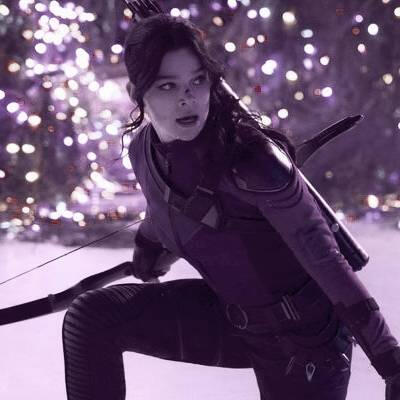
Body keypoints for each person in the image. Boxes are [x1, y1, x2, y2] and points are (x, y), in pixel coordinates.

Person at [62, 14, 400, 400]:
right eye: (167, 86)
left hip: (304, 340)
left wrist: (390, 361)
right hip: (231, 316)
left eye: (196, 81)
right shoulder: (143, 150)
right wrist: (149, 246)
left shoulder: (256, 163)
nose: (187, 98)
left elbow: (327, 263)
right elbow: (165, 205)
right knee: (92, 318)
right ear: (137, 92)